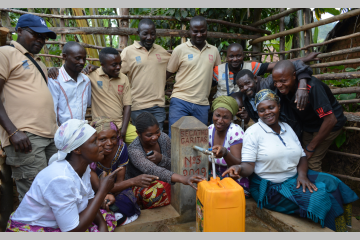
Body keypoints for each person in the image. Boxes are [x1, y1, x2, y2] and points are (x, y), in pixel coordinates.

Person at [223, 89, 358, 232]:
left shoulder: (286, 127)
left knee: (333, 182)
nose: (267, 112)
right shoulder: (253, 132)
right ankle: (336, 230)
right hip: (270, 188)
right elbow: (248, 167)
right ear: (257, 112)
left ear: (279, 106)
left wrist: (302, 176)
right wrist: (239, 168)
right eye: (262, 110)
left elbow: (302, 156)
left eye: (271, 107)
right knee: (319, 198)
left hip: (293, 177)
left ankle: (345, 228)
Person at [6, 119, 122, 232]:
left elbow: (90, 200)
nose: (101, 144)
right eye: (94, 141)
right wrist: (102, 191)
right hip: (33, 228)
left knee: (106, 218)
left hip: (61, 224)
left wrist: (102, 227)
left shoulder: (84, 167)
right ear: (77, 149)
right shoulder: (60, 178)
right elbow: (73, 230)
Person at [0, 14, 58, 202]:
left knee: (56, 191)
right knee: (36, 198)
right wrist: (13, 131)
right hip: (25, 138)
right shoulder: (5, 53)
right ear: (19, 31)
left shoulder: (39, 63)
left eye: (44, 37)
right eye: (36, 34)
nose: (41, 40)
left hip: (50, 137)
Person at [83, 19, 171, 131]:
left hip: (158, 105)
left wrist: (163, 78)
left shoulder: (161, 51)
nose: (149, 37)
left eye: (152, 34)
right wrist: (98, 68)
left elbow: (176, 64)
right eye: (145, 34)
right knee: (139, 140)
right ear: (138, 34)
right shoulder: (128, 52)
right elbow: (115, 71)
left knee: (157, 138)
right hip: (137, 105)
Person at [49, 47, 136, 146]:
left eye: (120, 63)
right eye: (114, 65)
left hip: (121, 124)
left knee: (140, 138)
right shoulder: (90, 76)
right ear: (102, 65)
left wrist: (123, 131)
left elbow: (127, 105)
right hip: (100, 126)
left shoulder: (123, 78)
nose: (118, 67)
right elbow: (70, 73)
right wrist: (54, 69)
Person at [272, 60, 347, 172]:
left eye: (283, 81)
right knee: (301, 158)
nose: (279, 85)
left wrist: (311, 147)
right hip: (309, 125)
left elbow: (331, 120)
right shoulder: (282, 90)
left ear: (294, 76)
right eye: (276, 82)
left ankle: (319, 189)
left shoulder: (313, 87)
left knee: (311, 162)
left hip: (329, 124)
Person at [126, 112, 206, 209]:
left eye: (157, 132)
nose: (155, 137)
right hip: (142, 184)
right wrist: (183, 179)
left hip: (166, 178)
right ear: (138, 133)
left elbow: (174, 163)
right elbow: (153, 170)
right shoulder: (134, 150)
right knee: (154, 194)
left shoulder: (163, 138)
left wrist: (161, 159)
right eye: (149, 135)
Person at [89, 116, 159, 226]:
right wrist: (133, 181)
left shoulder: (121, 148)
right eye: (102, 139)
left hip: (116, 189)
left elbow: (120, 181)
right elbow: (97, 187)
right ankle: (110, 217)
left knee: (127, 203)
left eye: (113, 137)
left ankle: (110, 216)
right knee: (92, 206)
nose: (110, 143)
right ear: (93, 140)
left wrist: (110, 195)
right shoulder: (89, 156)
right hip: (93, 193)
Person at [166, 16, 221, 138]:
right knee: (175, 137)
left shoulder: (214, 51)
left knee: (199, 139)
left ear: (207, 31)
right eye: (195, 31)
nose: (199, 34)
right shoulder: (180, 50)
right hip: (180, 101)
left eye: (203, 31)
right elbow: (168, 73)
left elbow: (218, 75)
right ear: (189, 32)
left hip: (202, 103)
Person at [235, 60, 313, 139]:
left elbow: (296, 63)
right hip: (270, 133)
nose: (245, 88)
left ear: (255, 79)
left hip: (290, 126)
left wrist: (302, 85)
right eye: (241, 87)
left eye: (248, 83)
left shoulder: (268, 83)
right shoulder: (246, 98)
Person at [213, 42, 320, 98]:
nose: (235, 59)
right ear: (226, 57)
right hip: (223, 109)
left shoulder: (252, 67)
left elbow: (279, 64)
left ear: (243, 55)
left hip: (244, 108)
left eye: (239, 56)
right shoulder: (218, 70)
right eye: (231, 56)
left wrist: (306, 58)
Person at [208, 96, 249, 197]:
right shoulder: (209, 130)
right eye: (217, 115)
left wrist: (226, 153)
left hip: (234, 178)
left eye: (225, 117)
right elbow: (208, 161)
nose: (220, 120)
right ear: (212, 114)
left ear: (232, 118)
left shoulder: (235, 132)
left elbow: (238, 163)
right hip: (216, 176)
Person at [48, 42, 91, 126]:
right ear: (64, 57)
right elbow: (52, 111)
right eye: (77, 58)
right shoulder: (55, 80)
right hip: (62, 132)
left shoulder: (86, 80)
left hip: (81, 130)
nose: (82, 62)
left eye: (84, 59)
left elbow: (88, 103)